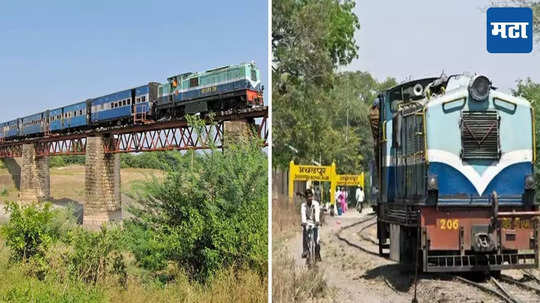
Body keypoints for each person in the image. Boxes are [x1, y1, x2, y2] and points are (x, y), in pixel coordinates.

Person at [301, 188, 321, 261]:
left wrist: (317, 221)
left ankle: (317, 253)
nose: (309, 198)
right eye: (308, 197)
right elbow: (303, 215)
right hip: (307, 222)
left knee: (317, 240)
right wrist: (304, 222)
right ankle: (305, 250)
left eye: (311, 196)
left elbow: (317, 213)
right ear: (305, 198)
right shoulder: (303, 205)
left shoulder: (316, 204)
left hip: (315, 222)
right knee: (304, 232)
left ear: (312, 197)